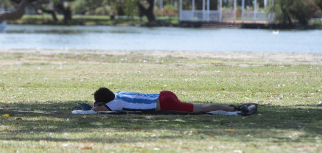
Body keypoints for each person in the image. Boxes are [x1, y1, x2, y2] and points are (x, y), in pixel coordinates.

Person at [91, 87, 256, 114]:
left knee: (202, 108)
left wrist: (96, 105)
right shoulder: (119, 94)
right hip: (164, 94)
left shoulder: (114, 105)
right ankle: (239, 106)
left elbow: (94, 110)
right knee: (201, 106)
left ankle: (235, 109)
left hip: (165, 104)